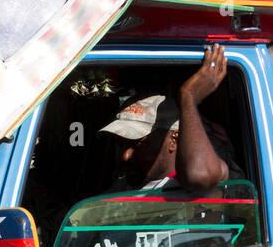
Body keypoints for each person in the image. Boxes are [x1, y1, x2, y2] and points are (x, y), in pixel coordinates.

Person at [101, 44, 237, 192]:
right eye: (121, 144)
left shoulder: (190, 183)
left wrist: (188, 97)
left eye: (136, 143)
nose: (125, 155)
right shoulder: (125, 186)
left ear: (174, 140)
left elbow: (200, 176)